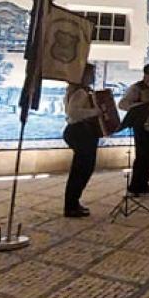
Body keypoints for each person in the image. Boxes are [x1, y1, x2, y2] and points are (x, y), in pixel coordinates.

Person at [62, 64, 101, 217]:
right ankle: (71, 205)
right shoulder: (80, 92)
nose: (92, 77)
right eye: (90, 74)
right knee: (81, 170)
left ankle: (74, 202)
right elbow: (73, 113)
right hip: (80, 131)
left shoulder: (79, 91)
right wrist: (95, 112)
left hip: (80, 132)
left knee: (83, 169)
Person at [119, 63, 149, 195]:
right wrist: (142, 105)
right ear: (146, 75)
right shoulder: (135, 88)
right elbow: (123, 104)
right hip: (141, 126)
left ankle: (144, 184)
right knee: (142, 156)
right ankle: (134, 186)